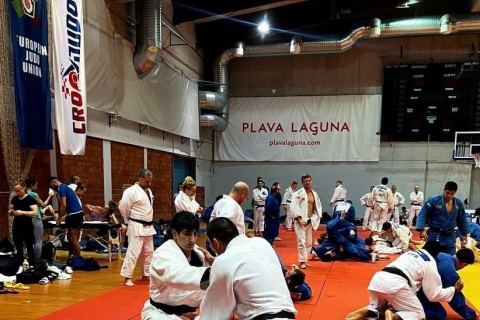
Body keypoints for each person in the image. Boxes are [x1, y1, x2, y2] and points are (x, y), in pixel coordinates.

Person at [198, 217, 296, 320]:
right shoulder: (262, 243)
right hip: (289, 314)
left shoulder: (223, 261)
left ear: (215, 243)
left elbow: (214, 313)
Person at [346, 241, 464, 320]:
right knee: (418, 314)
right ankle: (394, 316)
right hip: (396, 284)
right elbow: (433, 295)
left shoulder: (411, 253)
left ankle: (371, 309)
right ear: (436, 254)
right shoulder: (430, 262)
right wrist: (454, 289)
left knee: (380, 308)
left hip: (378, 279)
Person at [141, 211, 212, 320]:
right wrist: (216, 270)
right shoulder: (162, 254)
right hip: (161, 314)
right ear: (175, 233)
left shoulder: (198, 253)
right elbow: (179, 277)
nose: (192, 239)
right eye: (187, 234)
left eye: (195, 234)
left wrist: (215, 262)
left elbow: (208, 289)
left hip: (188, 313)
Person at [119, 169, 156, 287]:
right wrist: (126, 221)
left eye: (150, 181)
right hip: (136, 225)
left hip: (148, 226)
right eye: (147, 181)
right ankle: (127, 277)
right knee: (133, 252)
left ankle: (146, 274)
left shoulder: (148, 191)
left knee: (149, 252)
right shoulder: (131, 191)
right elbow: (123, 207)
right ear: (140, 179)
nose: (149, 184)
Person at [418, 248, 477, 320]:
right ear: (464, 264)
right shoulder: (448, 269)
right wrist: (472, 315)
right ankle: (408, 312)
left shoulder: (443, 255)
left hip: (413, 282)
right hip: (414, 291)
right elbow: (455, 298)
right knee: (439, 315)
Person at [416, 181, 470, 255]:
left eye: (452, 194)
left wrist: (465, 234)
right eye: (447, 192)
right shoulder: (433, 200)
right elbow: (423, 214)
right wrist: (422, 230)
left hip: (450, 236)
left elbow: (462, 219)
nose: (449, 195)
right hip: (435, 234)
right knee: (432, 257)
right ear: (444, 190)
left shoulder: (458, 203)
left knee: (449, 258)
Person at [290, 174, 322, 269]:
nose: (307, 182)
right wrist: (299, 219)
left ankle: (305, 259)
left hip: (310, 220)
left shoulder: (314, 194)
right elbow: (293, 207)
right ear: (302, 183)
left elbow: (318, 207)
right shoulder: (298, 194)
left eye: (309, 180)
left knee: (308, 242)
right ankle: (302, 261)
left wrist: (315, 218)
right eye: (305, 181)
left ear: (311, 181)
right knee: (301, 241)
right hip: (301, 220)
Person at [48, 176, 84, 258]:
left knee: (73, 238)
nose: (52, 188)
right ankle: (71, 256)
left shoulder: (61, 188)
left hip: (74, 214)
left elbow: (64, 204)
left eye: (51, 186)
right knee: (70, 238)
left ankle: (79, 259)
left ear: (54, 182)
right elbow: (63, 204)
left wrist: (60, 218)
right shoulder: (64, 187)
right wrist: (57, 197)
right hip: (77, 213)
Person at [24, 176, 55, 260]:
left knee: (29, 241)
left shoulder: (24, 194)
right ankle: (37, 260)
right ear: (31, 185)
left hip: (27, 219)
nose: (37, 187)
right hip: (35, 219)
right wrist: (50, 195)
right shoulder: (33, 194)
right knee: (38, 241)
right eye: (35, 186)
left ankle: (31, 259)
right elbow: (43, 204)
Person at [9, 179, 38, 266]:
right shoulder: (14, 199)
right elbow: (11, 209)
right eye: (16, 191)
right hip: (17, 224)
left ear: (24, 188)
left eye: (19, 190)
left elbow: (35, 213)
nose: (17, 192)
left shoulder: (30, 199)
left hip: (27, 224)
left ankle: (32, 263)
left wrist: (22, 212)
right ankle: (19, 262)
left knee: (29, 244)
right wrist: (11, 212)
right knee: (18, 244)